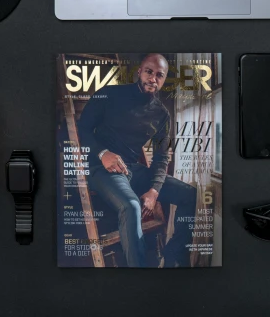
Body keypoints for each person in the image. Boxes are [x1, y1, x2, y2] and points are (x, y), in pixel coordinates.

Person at [77, 53, 196, 267]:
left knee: (190, 194)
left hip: (134, 170)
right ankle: (139, 277)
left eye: (159, 75)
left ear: (163, 78)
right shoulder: (109, 94)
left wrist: (154, 191)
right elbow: (83, 129)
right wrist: (103, 153)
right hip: (101, 169)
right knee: (131, 206)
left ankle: (172, 255)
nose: (153, 79)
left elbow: (161, 156)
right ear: (139, 72)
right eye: (149, 72)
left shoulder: (162, 114)